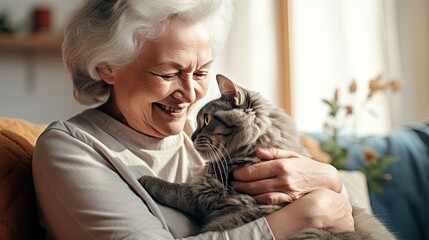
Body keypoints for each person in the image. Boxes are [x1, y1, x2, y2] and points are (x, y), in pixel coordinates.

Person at [32, 0, 354, 239]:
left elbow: (343, 220)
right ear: (108, 67)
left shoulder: (204, 133)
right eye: (169, 73)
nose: (190, 94)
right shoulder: (71, 148)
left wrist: (332, 183)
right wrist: (304, 215)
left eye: (200, 72)